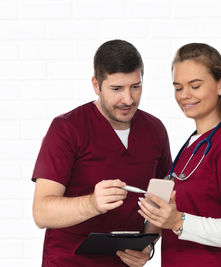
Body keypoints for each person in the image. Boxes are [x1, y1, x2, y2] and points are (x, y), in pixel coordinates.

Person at [31, 39, 172, 266]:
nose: (128, 99)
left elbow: (161, 196)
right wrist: (92, 204)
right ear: (96, 85)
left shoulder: (155, 129)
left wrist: (149, 244)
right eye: (116, 89)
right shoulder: (67, 128)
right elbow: (41, 212)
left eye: (136, 86)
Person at [138, 43, 221, 266]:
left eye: (195, 86)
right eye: (178, 87)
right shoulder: (190, 147)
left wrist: (178, 221)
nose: (184, 95)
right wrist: (146, 244)